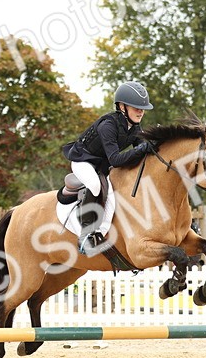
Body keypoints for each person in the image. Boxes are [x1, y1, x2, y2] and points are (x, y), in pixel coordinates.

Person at [60, 81, 157, 254]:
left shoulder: (134, 127)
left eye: (142, 108)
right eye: (136, 107)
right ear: (122, 106)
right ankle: (85, 235)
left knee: (112, 197)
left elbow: (143, 151)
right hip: (83, 161)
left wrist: (154, 146)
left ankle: (100, 234)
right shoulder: (108, 126)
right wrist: (142, 149)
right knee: (96, 186)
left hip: (101, 166)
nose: (140, 111)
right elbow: (116, 160)